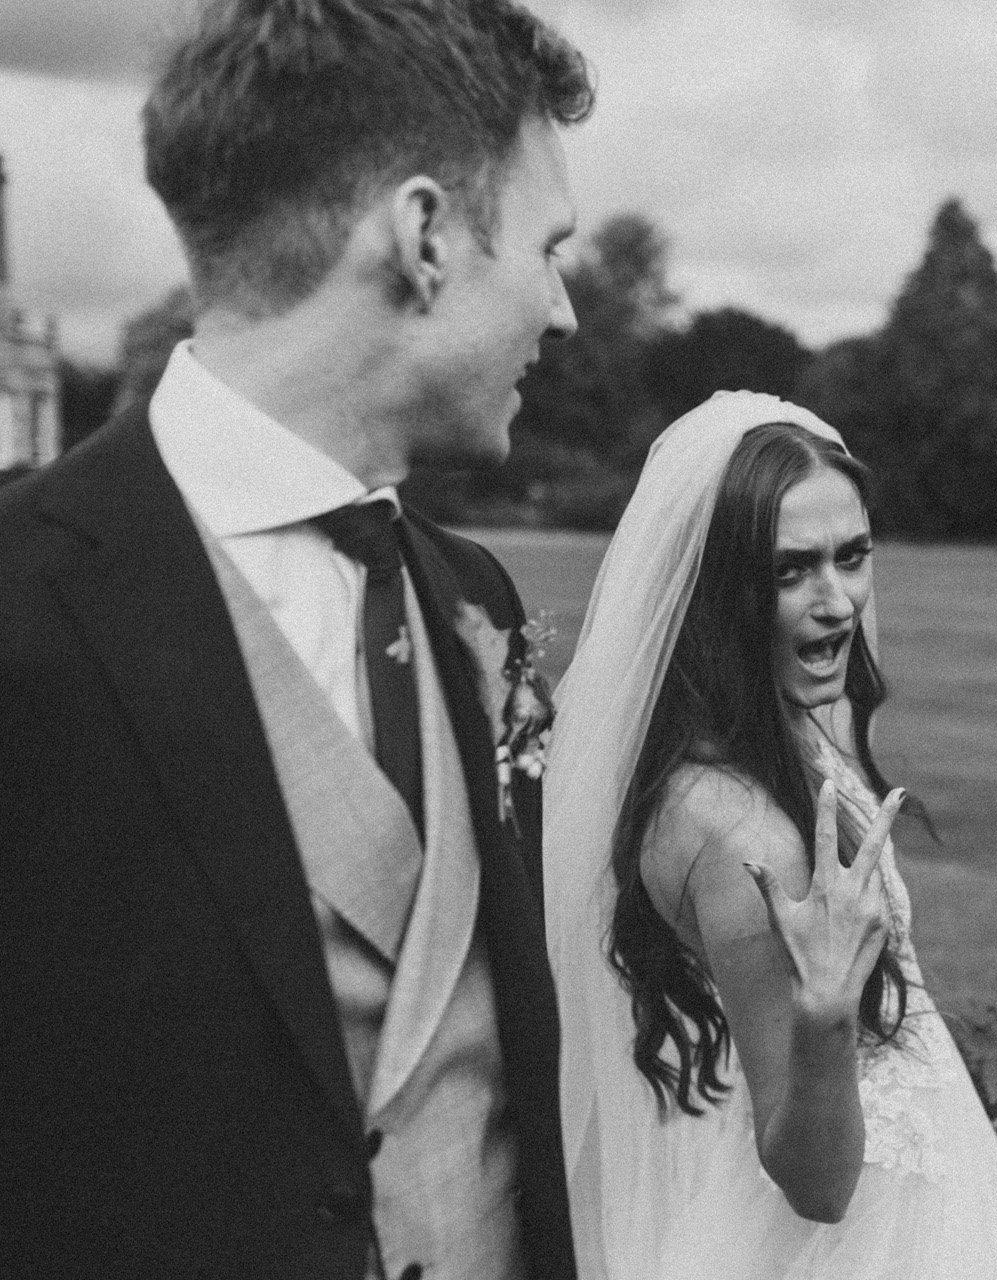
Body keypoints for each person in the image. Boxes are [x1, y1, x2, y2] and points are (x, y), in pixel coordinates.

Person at [0, 2, 593, 1275]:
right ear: (427, 236)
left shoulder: (475, 597)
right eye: (549, 249)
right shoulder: (20, 604)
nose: (565, 309)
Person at [544, 393, 997, 1279]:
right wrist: (825, 1013)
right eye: (790, 572)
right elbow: (816, 1184)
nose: (837, 603)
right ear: (719, 591)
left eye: (851, 558)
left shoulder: (783, 732)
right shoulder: (744, 835)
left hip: (921, 1179)